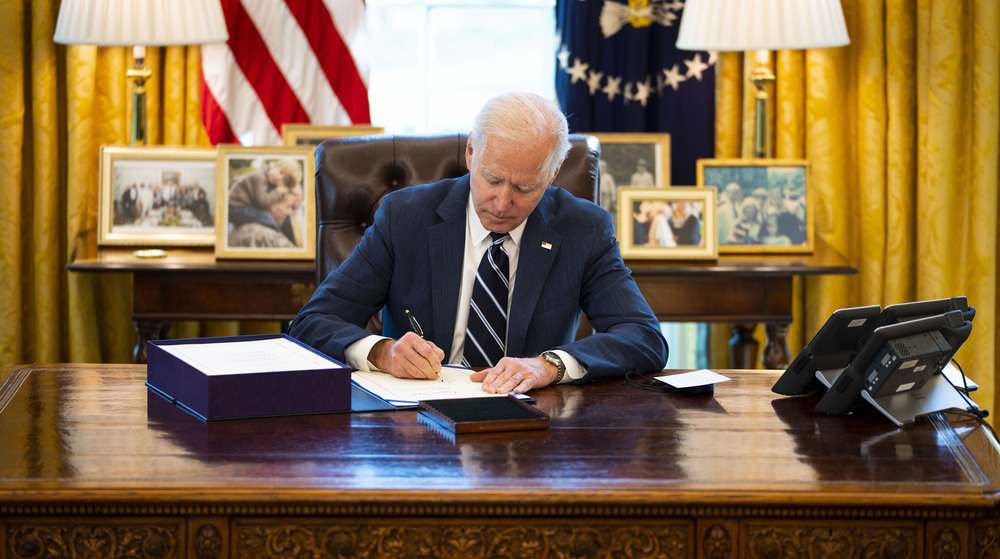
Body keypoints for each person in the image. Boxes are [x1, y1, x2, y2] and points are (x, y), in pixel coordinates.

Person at [289, 92, 668, 395]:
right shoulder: (405, 216)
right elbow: (312, 322)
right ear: (471, 153)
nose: (503, 203)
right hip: (417, 423)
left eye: (524, 187)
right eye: (491, 179)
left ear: (552, 174)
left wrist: (548, 365)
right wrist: (381, 352)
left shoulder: (584, 228)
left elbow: (643, 337)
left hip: (532, 426)